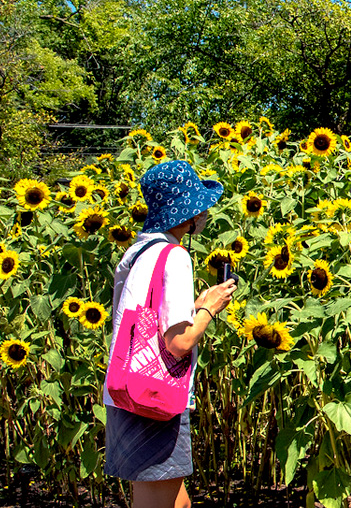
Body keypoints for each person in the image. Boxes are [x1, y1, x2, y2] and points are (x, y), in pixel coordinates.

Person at [103, 160, 237, 508]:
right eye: (200, 208)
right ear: (188, 215)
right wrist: (211, 307)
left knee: (179, 503)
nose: (205, 215)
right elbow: (178, 343)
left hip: (127, 389)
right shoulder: (174, 256)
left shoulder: (138, 250)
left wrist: (195, 305)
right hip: (154, 396)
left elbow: (145, 319)